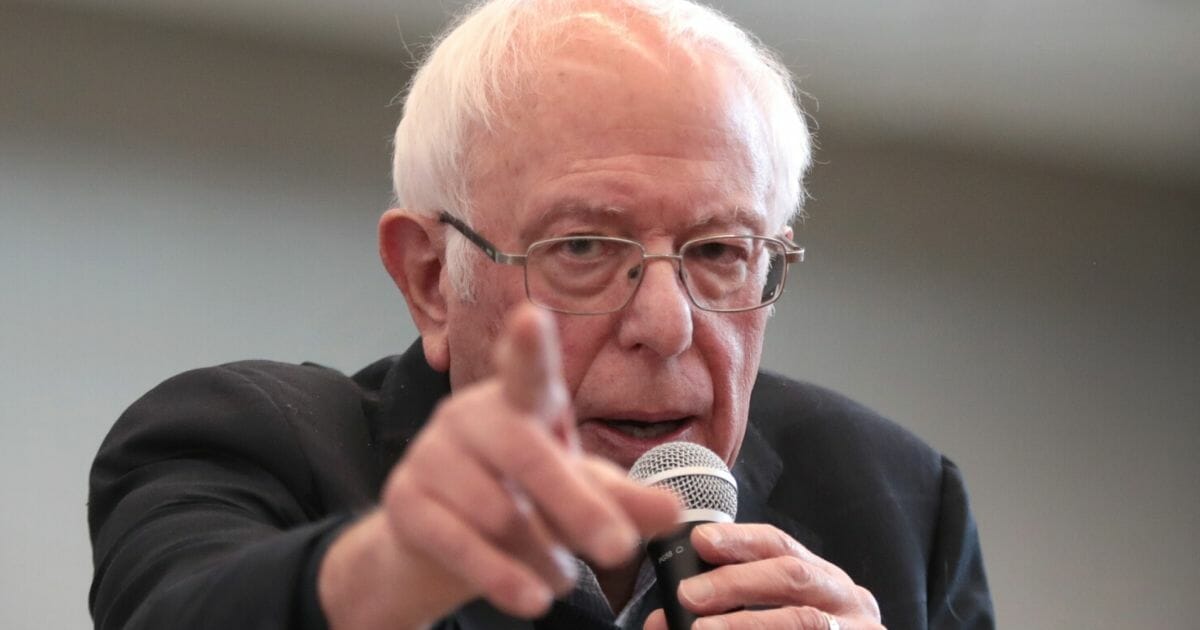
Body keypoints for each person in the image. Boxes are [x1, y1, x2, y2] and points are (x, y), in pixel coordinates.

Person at [88, 0, 993, 628]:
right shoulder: (247, 445)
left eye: (718, 252)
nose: (668, 324)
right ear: (433, 280)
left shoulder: (899, 508)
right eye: (586, 250)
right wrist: (390, 575)